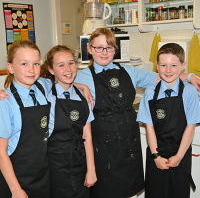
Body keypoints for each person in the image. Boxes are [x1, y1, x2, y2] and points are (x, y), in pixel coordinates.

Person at [73, 28, 200, 198]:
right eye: (99, 48)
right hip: (101, 146)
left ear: (115, 50)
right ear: (89, 49)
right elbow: (54, 82)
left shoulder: (129, 71)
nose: (104, 52)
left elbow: (163, 76)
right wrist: (79, 86)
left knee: (129, 191)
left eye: (109, 47)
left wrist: (190, 76)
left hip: (129, 143)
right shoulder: (81, 76)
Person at [137, 43, 200, 198]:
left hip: (181, 152)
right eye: (163, 65)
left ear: (182, 66)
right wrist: (155, 156)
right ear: (157, 66)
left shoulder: (190, 92)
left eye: (173, 65)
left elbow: (190, 126)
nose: (168, 70)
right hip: (156, 153)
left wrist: (178, 156)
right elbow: (149, 127)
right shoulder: (150, 92)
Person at [40, 45, 97, 198]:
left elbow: (88, 137)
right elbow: (23, 83)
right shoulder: (45, 94)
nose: (68, 69)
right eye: (61, 65)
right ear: (51, 70)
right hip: (54, 164)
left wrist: (91, 170)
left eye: (71, 63)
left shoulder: (82, 97)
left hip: (80, 162)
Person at [0, 39, 52, 198]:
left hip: (42, 177)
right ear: (10, 67)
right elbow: (1, 152)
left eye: (36, 64)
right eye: (24, 64)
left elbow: (64, 79)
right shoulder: (5, 102)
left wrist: (83, 87)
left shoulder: (42, 87)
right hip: (16, 181)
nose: (31, 70)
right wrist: (16, 191)